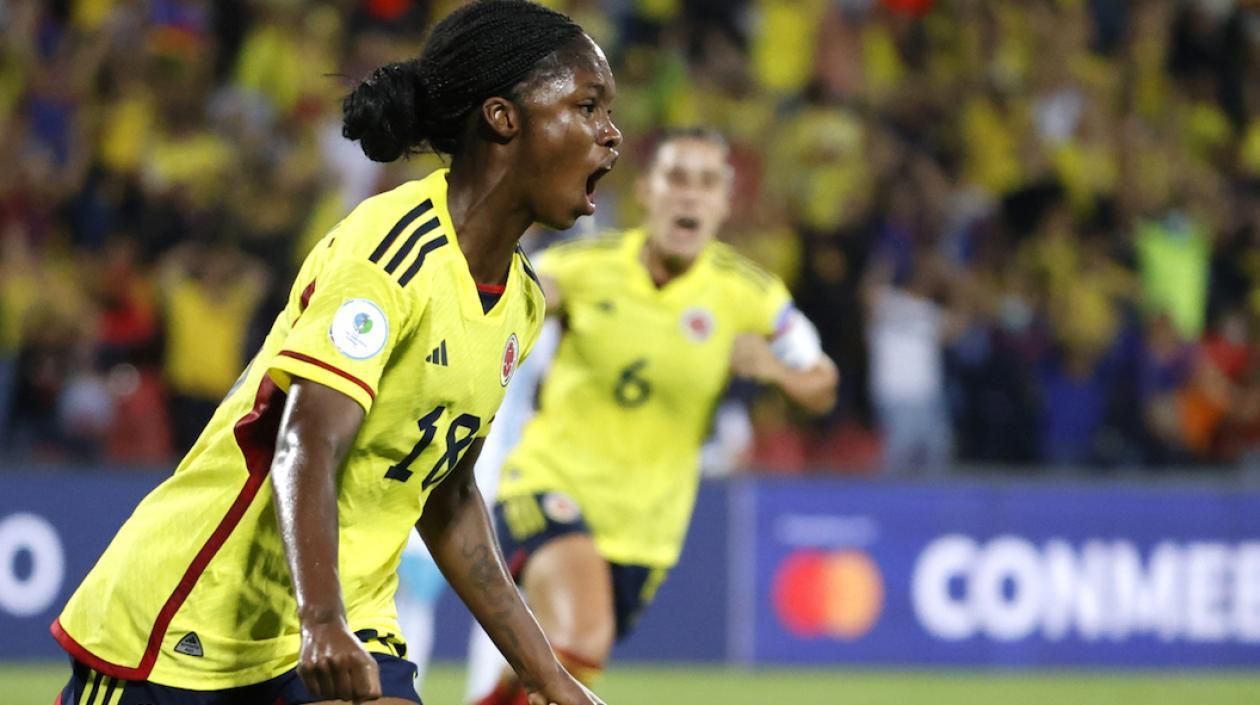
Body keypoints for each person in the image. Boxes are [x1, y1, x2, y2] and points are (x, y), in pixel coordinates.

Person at [50, 2, 620, 704]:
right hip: (191, 626)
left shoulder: (521, 302)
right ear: (504, 117)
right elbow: (307, 440)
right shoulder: (394, 251)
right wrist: (319, 620)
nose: (610, 134)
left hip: (349, 623)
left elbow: (447, 491)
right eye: (588, 105)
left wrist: (547, 673)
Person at [472, 127, 839, 705]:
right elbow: (498, 301)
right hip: (548, 482)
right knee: (578, 637)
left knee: (547, 670)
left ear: (726, 201)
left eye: (706, 183)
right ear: (646, 191)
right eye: (676, 178)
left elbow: (823, 383)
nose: (689, 196)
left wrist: (777, 371)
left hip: (646, 531)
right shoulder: (587, 267)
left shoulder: (751, 295)